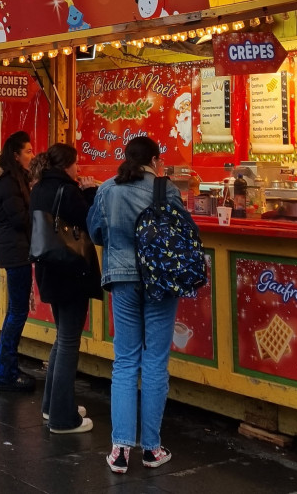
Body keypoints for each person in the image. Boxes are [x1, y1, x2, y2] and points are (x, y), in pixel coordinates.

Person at [87, 135, 189, 473]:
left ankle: (119, 450)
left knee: (125, 360)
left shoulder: (108, 189)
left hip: (122, 277)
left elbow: (95, 231)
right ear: (155, 160)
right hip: (160, 280)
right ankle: (152, 448)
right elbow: (184, 233)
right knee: (156, 361)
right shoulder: (166, 189)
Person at [29, 142, 99, 435]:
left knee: (62, 339)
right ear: (67, 165)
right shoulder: (68, 191)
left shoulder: (38, 188)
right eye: (76, 164)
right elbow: (91, 222)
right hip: (71, 270)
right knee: (69, 341)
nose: (78, 168)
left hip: (48, 269)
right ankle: (62, 417)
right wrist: (90, 192)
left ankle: (52, 405)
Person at [0, 130, 36, 393]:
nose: (31, 155)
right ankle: (6, 371)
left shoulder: (14, 179)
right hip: (16, 250)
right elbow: (19, 218)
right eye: (28, 151)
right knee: (17, 312)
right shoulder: (10, 183)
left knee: (15, 310)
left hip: (15, 248)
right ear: (16, 155)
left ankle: (8, 367)